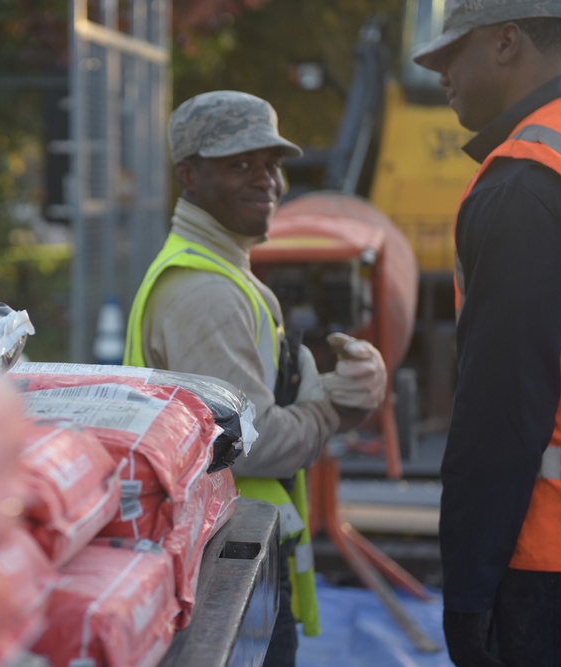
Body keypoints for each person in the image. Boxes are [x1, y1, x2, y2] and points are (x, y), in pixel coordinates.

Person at [123, 90, 388, 666]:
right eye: (240, 165)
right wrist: (335, 411)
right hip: (223, 568)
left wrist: (316, 381)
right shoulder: (208, 292)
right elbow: (249, 444)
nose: (265, 180)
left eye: (271, 165)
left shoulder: (220, 272)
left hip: (228, 557)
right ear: (188, 175)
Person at [411, 2, 561, 665]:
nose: (439, 72)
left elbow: (498, 411)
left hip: (544, 558)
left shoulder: (525, 182)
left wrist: (468, 593)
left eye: (452, 51)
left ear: (506, 42)